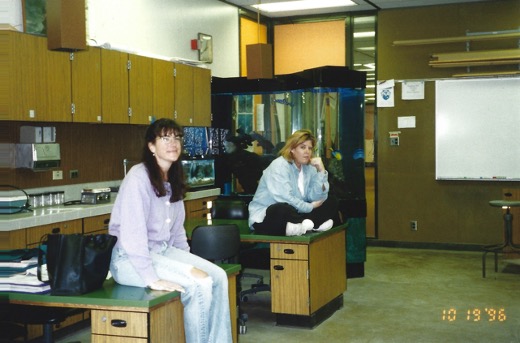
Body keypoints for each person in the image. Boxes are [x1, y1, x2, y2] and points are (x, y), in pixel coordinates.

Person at [108, 118, 232, 343]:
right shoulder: (138, 177)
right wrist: (151, 278)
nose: (173, 143)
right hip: (130, 261)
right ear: (151, 146)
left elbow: (176, 235)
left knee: (218, 276)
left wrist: (188, 263)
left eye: (176, 138)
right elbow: (132, 236)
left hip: (162, 253)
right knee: (200, 283)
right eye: (165, 138)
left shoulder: (172, 178)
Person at [248, 129, 339, 236]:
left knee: (332, 201)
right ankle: (311, 224)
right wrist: (310, 207)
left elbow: (316, 197)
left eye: (310, 148)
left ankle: (301, 226)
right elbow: (285, 198)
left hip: (297, 212)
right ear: (292, 149)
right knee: (281, 209)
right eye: (302, 147)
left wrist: (321, 172)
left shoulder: (309, 168)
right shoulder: (279, 166)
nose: (307, 152)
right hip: (269, 215)